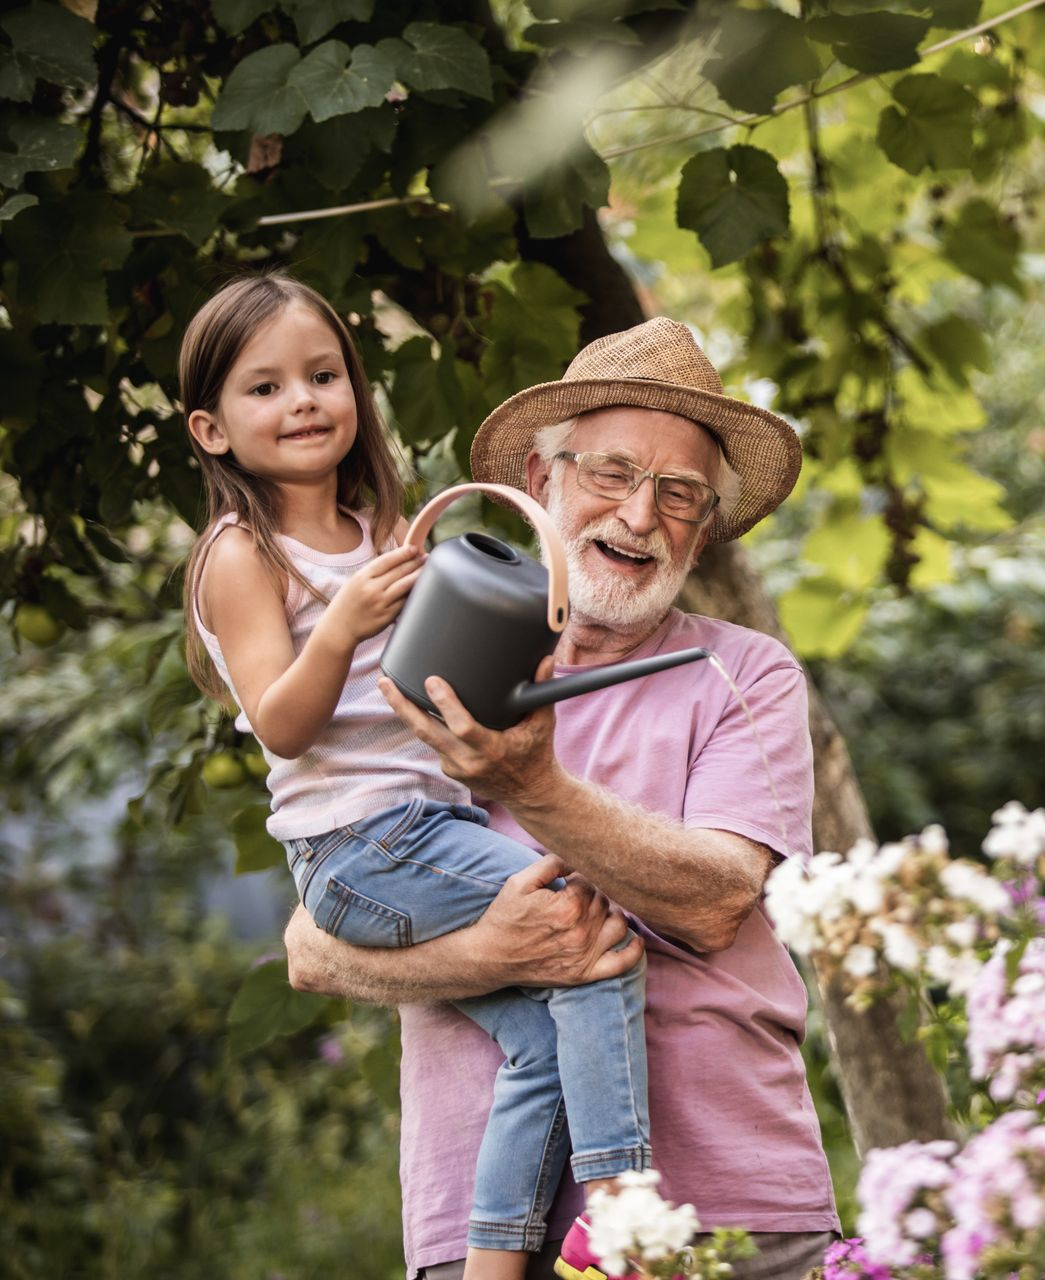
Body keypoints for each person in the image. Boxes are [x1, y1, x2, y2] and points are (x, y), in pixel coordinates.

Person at [285, 316, 841, 1280]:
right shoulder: (427, 660)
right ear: (542, 485)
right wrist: (480, 955)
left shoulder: (743, 673)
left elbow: (714, 901)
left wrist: (529, 788)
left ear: (704, 528)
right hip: (483, 1232)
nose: (638, 517)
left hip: (726, 1213)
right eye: (612, 473)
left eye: (678, 495)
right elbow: (313, 947)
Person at [178, 273, 660, 1280]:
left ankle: (491, 1267)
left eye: (320, 375)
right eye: (263, 388)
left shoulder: (373, 530)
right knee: (586, 925)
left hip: (418, 824)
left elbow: (418, 690)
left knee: (534, 1041)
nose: (302, 400)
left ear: (355, 390)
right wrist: (346, 620)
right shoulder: (239, 552)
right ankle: (623, 1207)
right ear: (211, 428)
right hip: (358, 843)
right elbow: (283, 721)